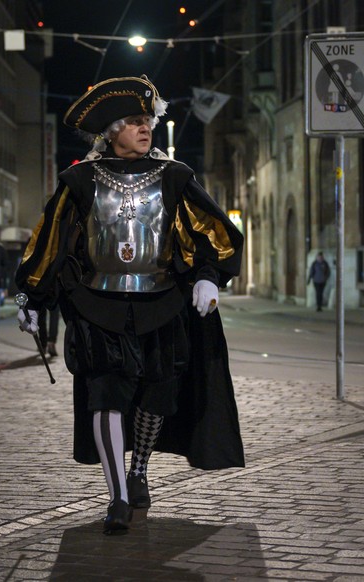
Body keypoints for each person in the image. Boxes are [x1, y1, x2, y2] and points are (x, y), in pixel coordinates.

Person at [15, 75, 245, 535]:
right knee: (106, 396)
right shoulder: (78, 180)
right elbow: (50, 239)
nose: (146, 129)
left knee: (157, 396)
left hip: (162, 303)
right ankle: (117, 494)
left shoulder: (176, 177)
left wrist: (207, 277)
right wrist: (31, 294)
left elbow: (216, 233)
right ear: (111, 130)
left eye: (148, 121)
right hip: (96, 305)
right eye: (135, 122)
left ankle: (139, 468)